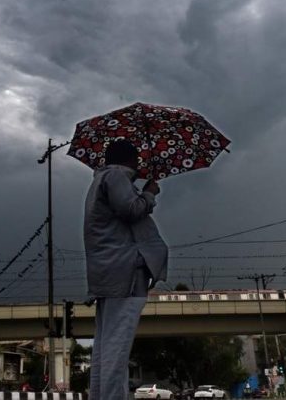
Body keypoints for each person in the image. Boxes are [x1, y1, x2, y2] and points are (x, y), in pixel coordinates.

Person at [84, 139, 168, 400]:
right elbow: (131, 210)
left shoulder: (102, 180)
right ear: (129, 159)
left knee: (106, 347)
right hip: (125, 271)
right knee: (117, 348)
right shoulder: (117, 176)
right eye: (137, 159)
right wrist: (150, 193)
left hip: (109, 272)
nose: (139, 163)